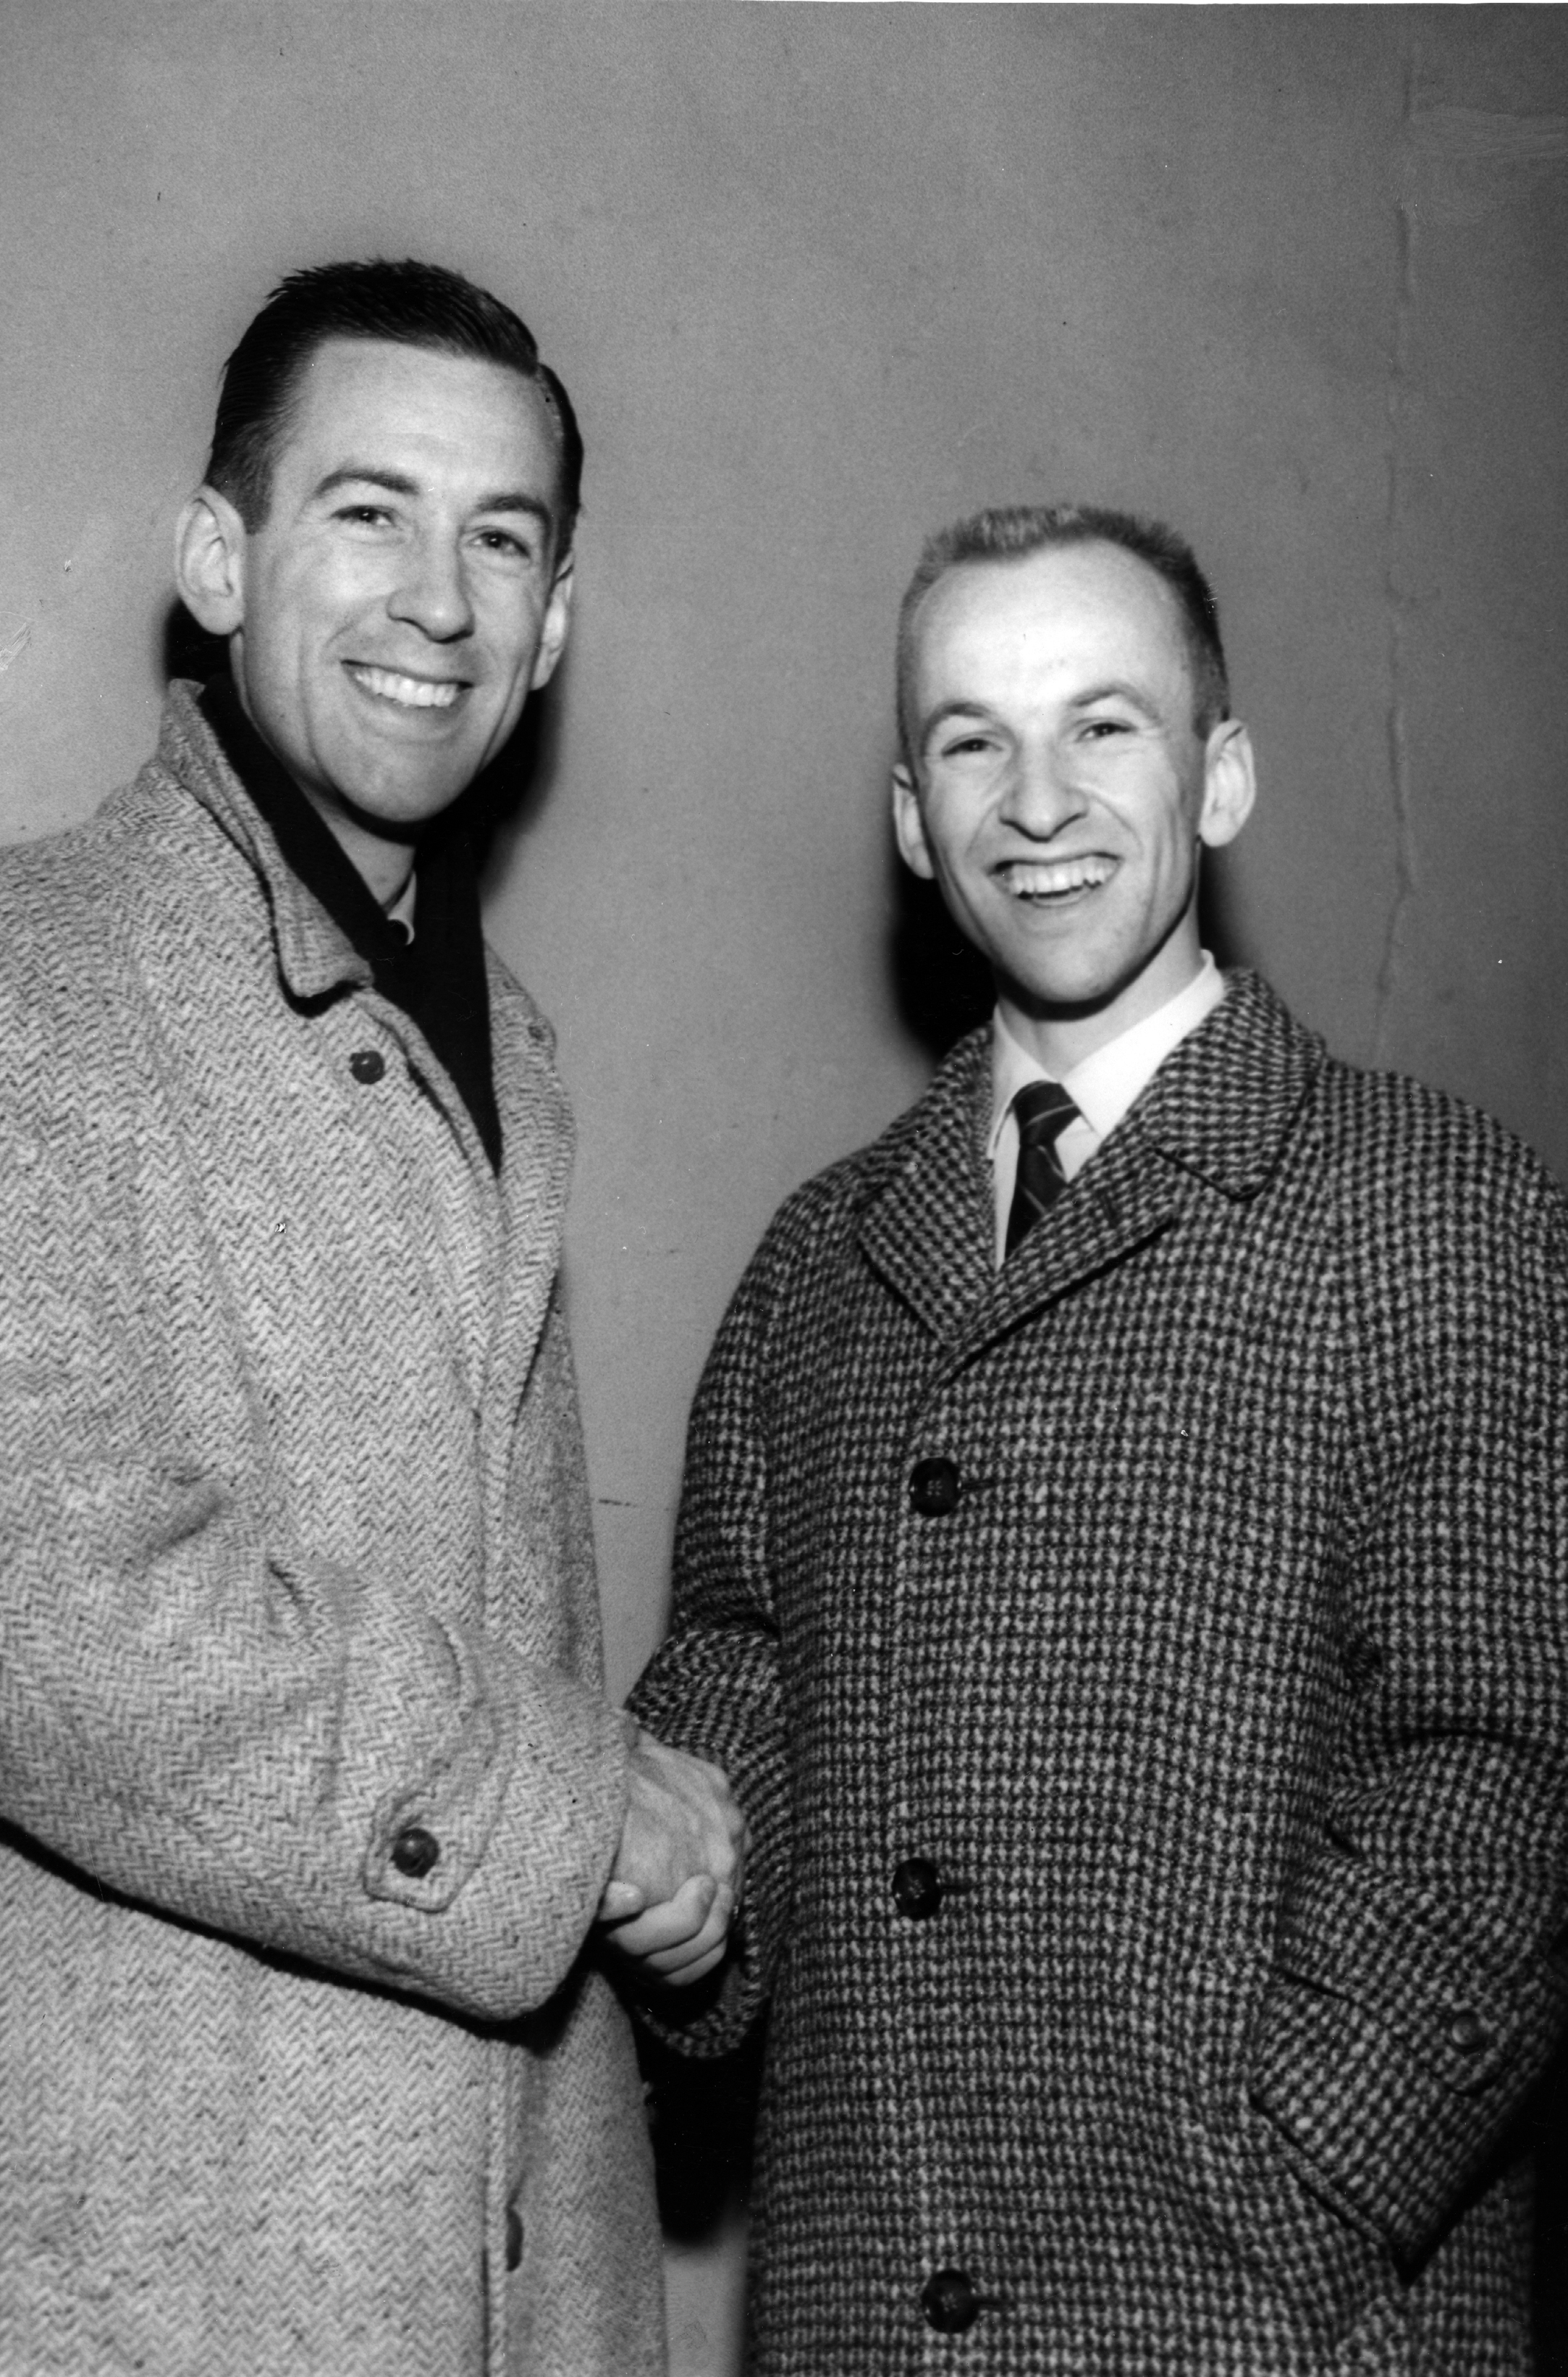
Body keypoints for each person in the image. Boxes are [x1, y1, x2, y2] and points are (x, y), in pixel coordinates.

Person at [0, 256, 741, 2376]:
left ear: (558, 623)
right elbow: (80, 1628)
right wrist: (581, 1812)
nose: (441, 593)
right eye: (369, 509)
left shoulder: (502, 1046)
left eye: (501, 537)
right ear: (218, 556)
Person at [623, 504, 1568, 2373]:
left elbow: (1507, 1760)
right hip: (867, 2311)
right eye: (972, 738)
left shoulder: (1433, 1206)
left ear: (1220, 779)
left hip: (1281, 2322)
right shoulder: (821, 1257)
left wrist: (1290, 2182)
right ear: (912, 817)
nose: (1036, 797)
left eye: (1104, 725)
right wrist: (688, 1883)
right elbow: (739, 1672)